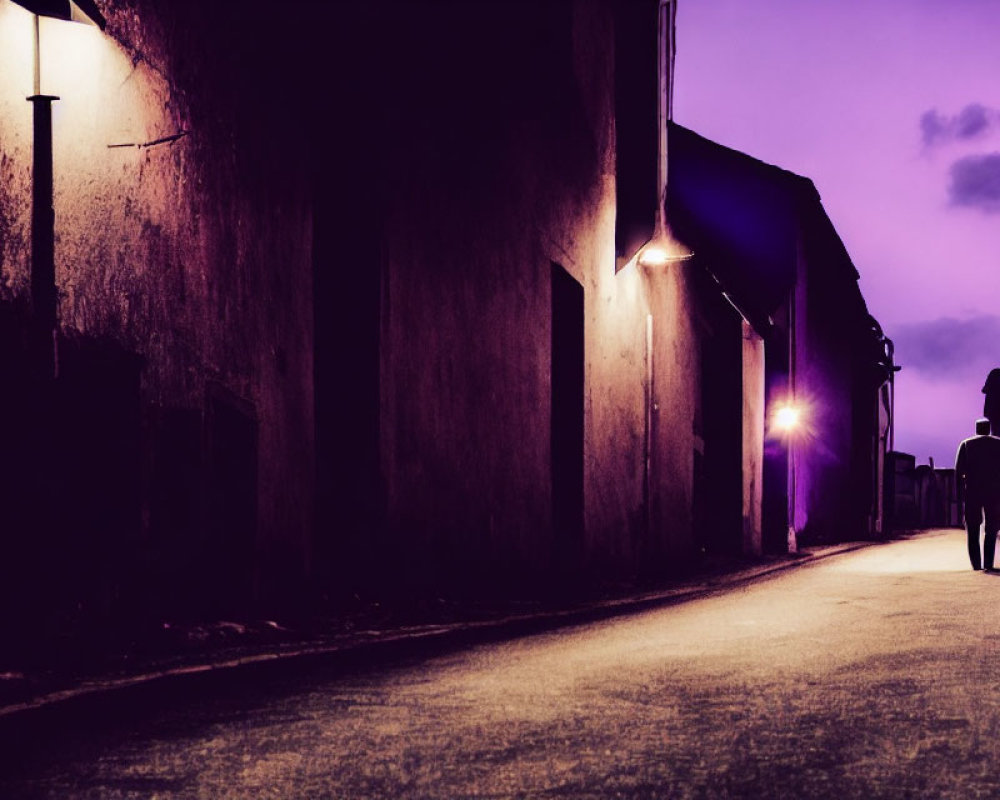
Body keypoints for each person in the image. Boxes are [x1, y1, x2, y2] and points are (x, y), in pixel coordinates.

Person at [955, 418, 1000, 571]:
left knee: (973, 528)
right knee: (992, 528)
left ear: (976, 429)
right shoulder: (998, 444)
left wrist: (959, 495)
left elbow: (958, 472)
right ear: (989, 429)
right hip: (994, 491)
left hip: (973, 491)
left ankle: (976, 565)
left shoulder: (967, 444)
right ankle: (988, 564)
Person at [983, 369, 1000, 435]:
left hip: (991, 411)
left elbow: (984, 389)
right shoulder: (995, 372)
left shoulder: (994, 372)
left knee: (994, 432)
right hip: (993, 411)